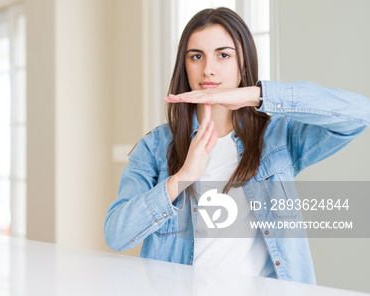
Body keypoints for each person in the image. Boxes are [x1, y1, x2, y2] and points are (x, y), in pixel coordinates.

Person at [103, 7, 370, 284]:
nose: (208, 69)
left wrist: (257, 94)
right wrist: (182, 178)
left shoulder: (277, 137)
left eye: (224, 55)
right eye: (197, 56)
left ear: (242, 63)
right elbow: (117, 234)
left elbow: (360, 114)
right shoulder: (155, 146)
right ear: (185, 65)